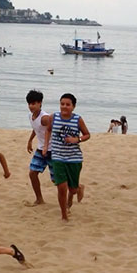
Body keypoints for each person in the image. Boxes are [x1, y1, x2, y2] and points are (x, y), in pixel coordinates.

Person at [45, 93, 90, 221]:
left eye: (67, 104)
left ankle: (77, 189)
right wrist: (45, 146)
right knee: (61, 187)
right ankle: (64, 215)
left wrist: (77, 139)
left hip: (74, 158)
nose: (64, 107)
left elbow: (87, 134)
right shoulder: (54, 117)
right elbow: (48, 130)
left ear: (73, 107)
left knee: (72, 189)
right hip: (58, 156)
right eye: (62, 104)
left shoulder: (77, 119)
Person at [25, 90, 52, 205]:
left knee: (57, 180)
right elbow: (36, 129)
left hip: (52, 150)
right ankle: (39, 199)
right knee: (32, 173)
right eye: (29, 104)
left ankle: (78, 187)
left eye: (34, 103)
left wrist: (46, 146)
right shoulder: (31, 116)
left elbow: (49, 129)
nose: (31, 106)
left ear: (40, 103)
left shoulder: (44, 118)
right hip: (41, 149)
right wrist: (30, 140)